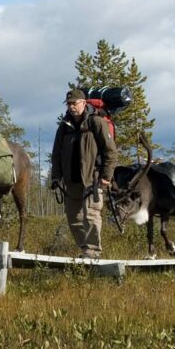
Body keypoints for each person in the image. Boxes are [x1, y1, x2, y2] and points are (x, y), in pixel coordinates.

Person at [49, 88, 117, 259]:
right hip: (71, 180)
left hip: (93, 178)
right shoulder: (64, 127)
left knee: (92, 215)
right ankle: (85, 248)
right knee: (74, 217)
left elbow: (111, 151)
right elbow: (56, 153)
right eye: (69, 104)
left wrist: (107, 176)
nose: (72, 107)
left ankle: (93, 251)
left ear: (83, 103)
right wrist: (56, 177)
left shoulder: (96, 122)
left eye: (75, 103)